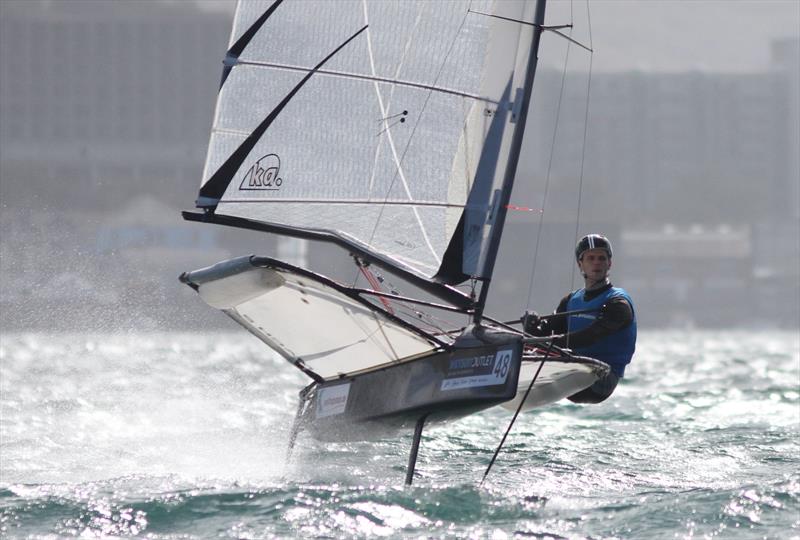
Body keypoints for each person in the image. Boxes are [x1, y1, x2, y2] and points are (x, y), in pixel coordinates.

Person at [523, 234, 636, 403]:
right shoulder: (571, 300)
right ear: (580, 264)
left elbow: (591, 335)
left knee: (549, 351)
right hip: (571, 373)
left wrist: (553, 342)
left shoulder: (618, 303)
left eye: (601, 258)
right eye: (590, 258)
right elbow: (543, 334)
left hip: (601, 380)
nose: (596, 262)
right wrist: (531, 327)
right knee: (530, 348)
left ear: (609, 263)